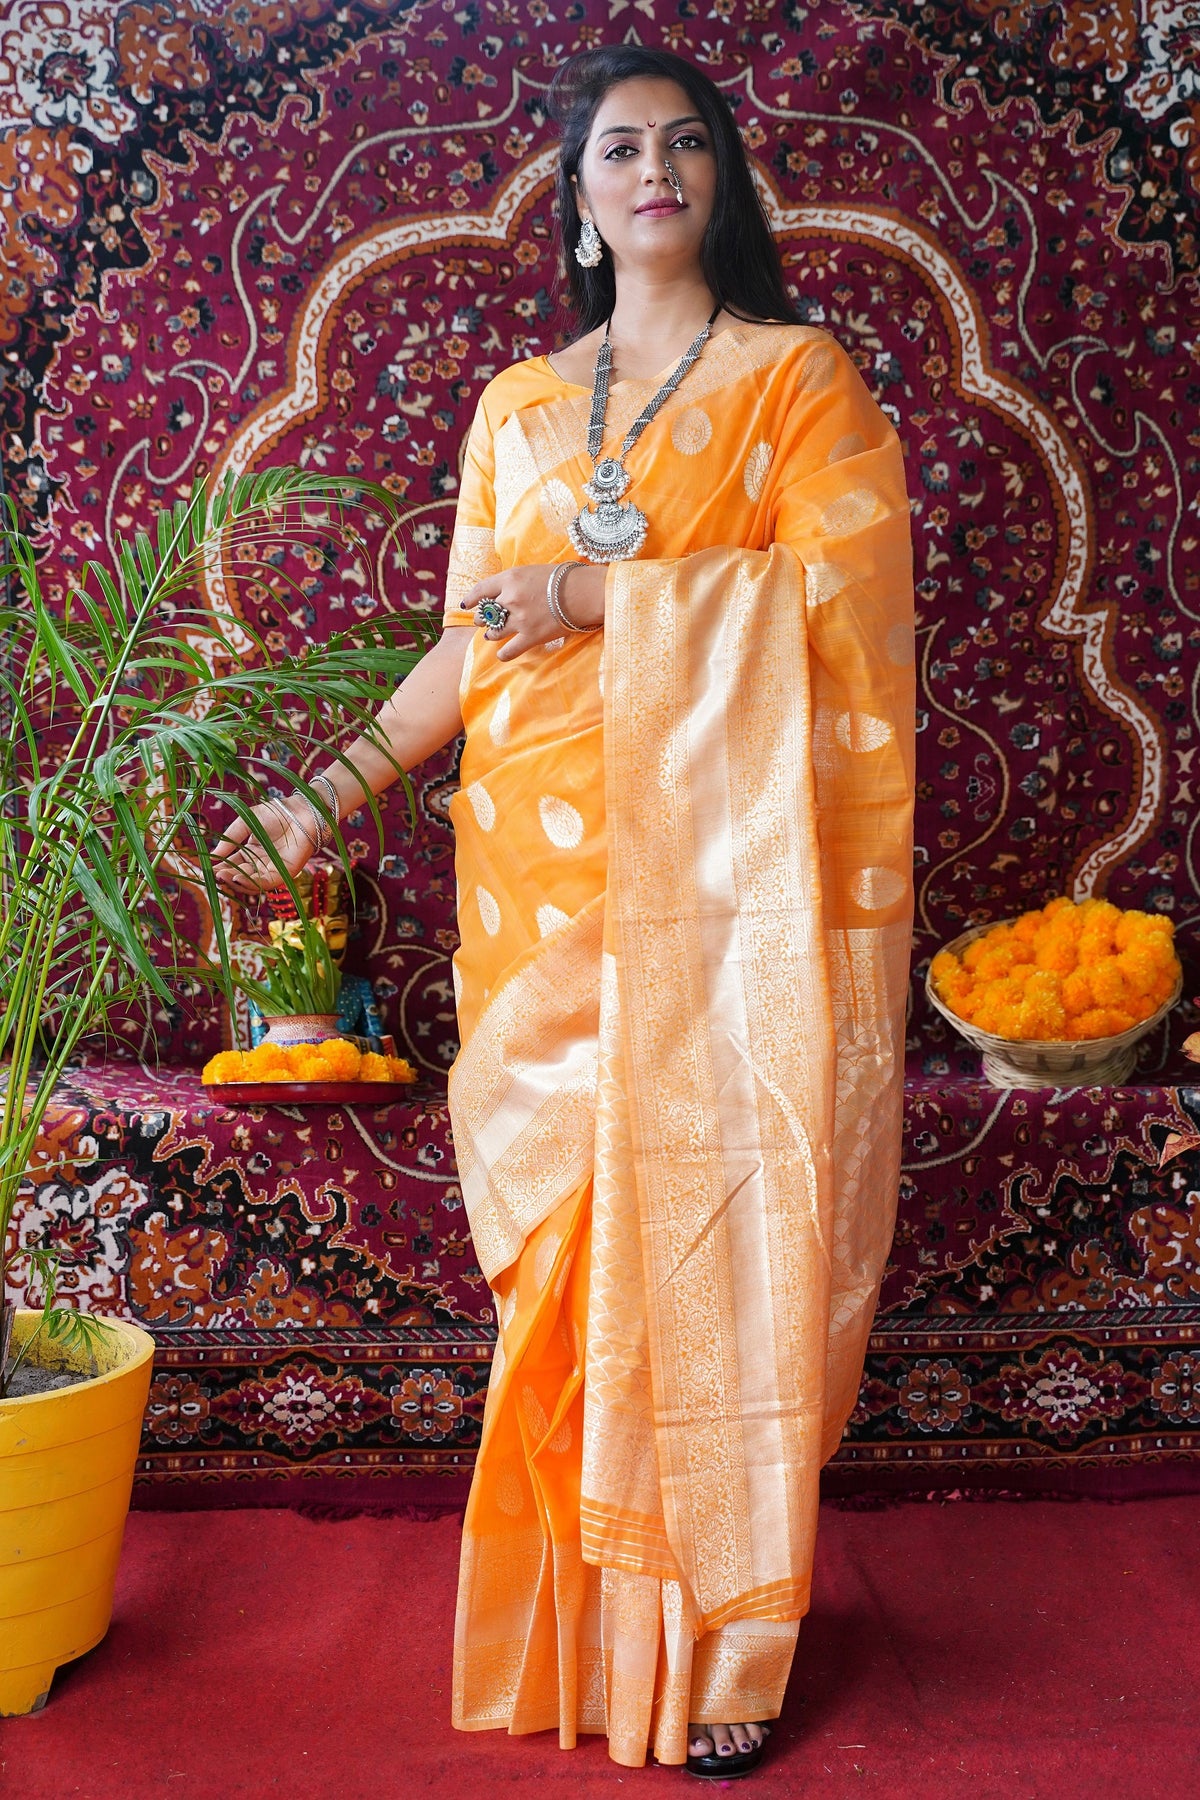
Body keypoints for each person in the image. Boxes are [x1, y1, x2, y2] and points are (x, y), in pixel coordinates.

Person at [216, 44, 915, 1779]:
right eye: (621, 148)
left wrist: (600, 590)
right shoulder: (522, 407)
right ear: (581, 202)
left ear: (726, 185)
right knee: (568, 1269)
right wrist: (321, 797)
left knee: (721, 1237)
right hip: (539, 897)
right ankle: (589, 1635)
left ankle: (728, 1641)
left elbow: (842, 611)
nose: (656, 168)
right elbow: (473, 642)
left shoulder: (796, 383)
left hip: (724, 895)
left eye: (688, 144)